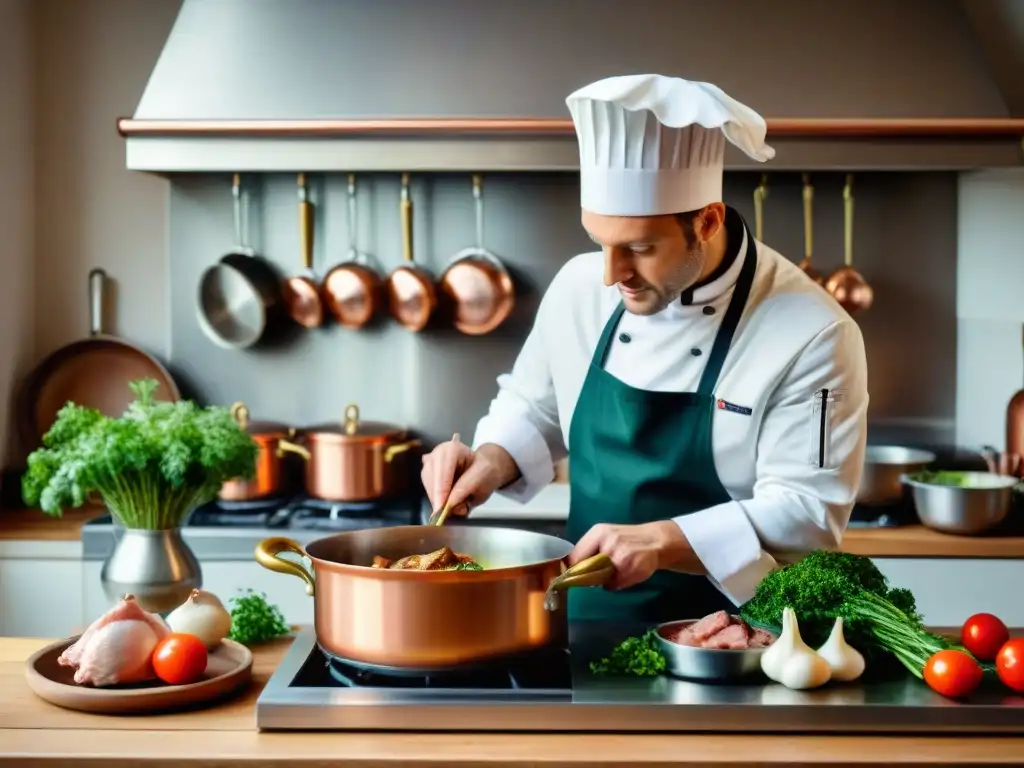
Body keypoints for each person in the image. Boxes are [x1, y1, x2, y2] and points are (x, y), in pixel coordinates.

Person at [421, 74, 869, 622]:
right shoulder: (579, 287)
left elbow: (808, 514)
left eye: (638, 248)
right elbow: (536, 408)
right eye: (600, 243)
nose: (612, 275)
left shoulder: (811, 333)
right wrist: (489, 460)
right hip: (581, 617)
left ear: (707, 221)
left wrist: (660, 541)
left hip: (729, 637)